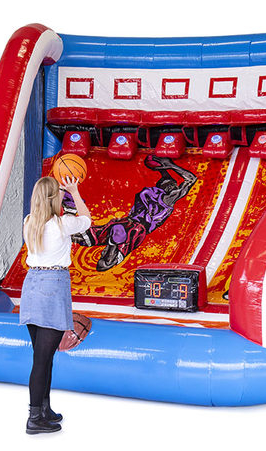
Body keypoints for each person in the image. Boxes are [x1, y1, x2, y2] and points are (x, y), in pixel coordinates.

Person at [20, 175, 91, 434]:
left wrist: (62, 192)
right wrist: (74, 191)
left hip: (32, 285)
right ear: (53, 197)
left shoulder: (29, 222)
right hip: (52, 284)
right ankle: (34, 417)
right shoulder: (62, 224)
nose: (63, 194)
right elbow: (87, 220)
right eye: (59, 192)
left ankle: (44, 409)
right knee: (42, 360)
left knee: (43, 356)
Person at [73, 155, 196, 270]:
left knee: (109, 246)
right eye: (172, 184)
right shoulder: (161, 194)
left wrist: (171, 165)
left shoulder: (166, 198)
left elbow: (191, 179)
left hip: (136, 229)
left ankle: (111, 249)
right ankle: (107, 245)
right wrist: (163, 165)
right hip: (128, 222)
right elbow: (169, 175)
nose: (174, 186)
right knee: (83, 235)